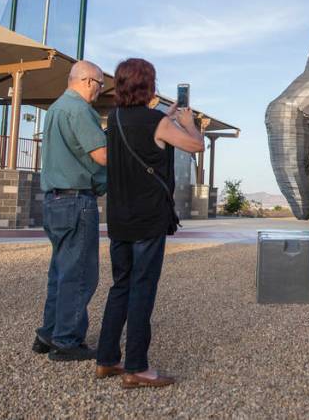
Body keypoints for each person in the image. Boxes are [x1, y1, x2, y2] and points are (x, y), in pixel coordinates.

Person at [95, 58, 205, 388]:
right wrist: (186, 121)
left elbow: (138, 135)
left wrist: (167, 117)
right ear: (150, 86)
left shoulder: (113, 119)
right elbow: (196, 145)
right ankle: (137, 367)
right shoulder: (155, 121)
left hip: (119, 216)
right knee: (143, 288)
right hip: (148, 219)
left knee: (120, 285)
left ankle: (106, 359)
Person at [33, 60, 108, 361]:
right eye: (101, 85)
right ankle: (67, 340)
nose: (100, 92)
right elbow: (101, 155)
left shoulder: (55, 109)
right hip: (77, 200)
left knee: (60, 271)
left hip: (55, 199)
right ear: (89, 81)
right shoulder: (79, 110)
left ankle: (49, 332)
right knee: (79, 274)